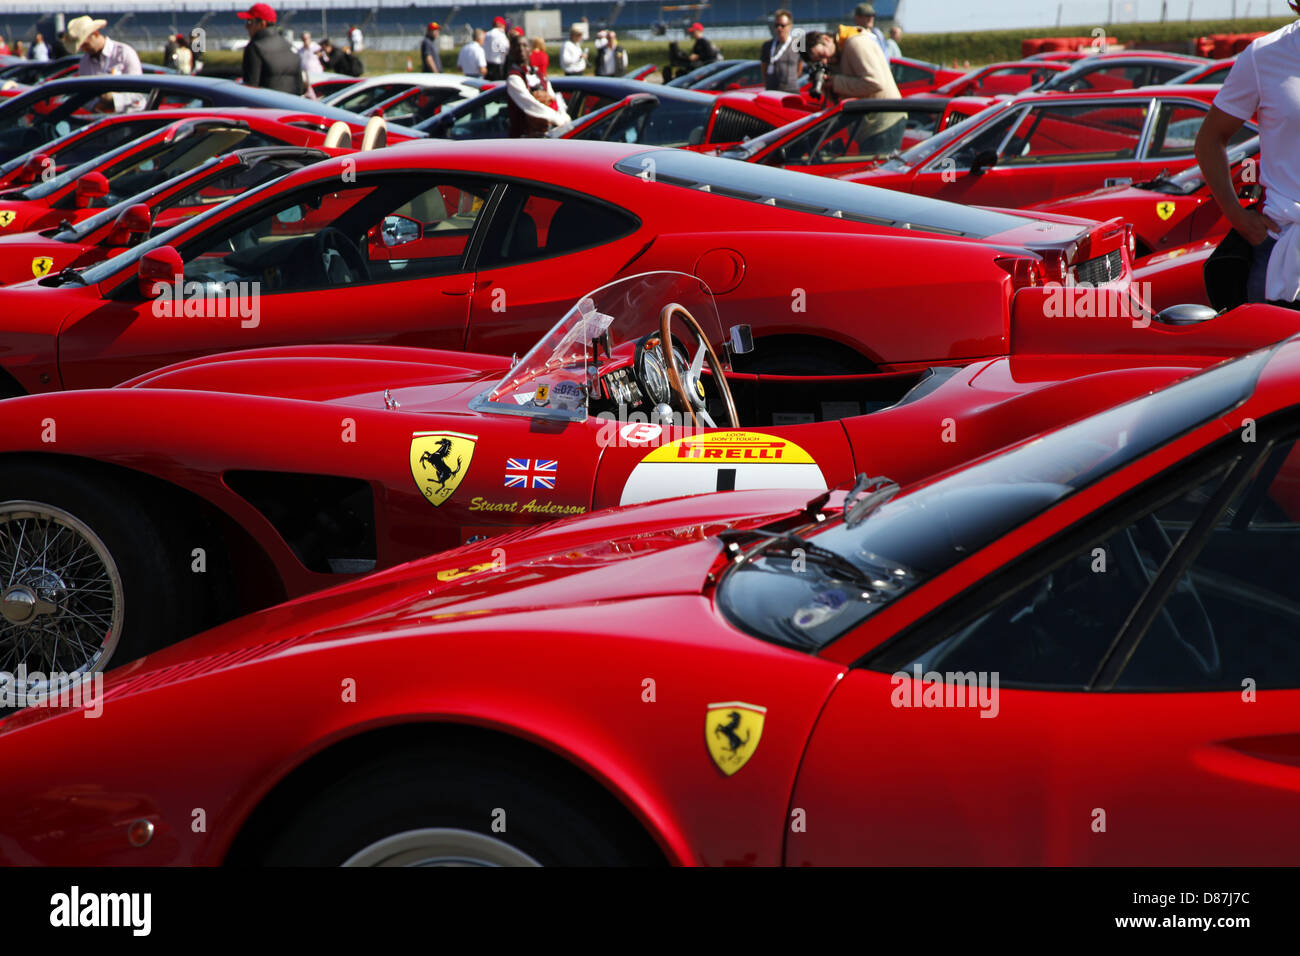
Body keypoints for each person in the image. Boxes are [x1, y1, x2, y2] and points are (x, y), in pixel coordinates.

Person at [1195, 14, 1300, 307]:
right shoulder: (1264, 55)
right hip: (1283, 249)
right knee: (1273, 353)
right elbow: (1209, 140)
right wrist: (1239, 218)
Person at [801, 27, 904, 149]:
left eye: (822, 54)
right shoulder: (839, 54)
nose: (824, 61)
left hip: (884, 122)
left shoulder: (856, 44)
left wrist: (835, 82)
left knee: (878, 168)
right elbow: (842, 99)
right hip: (872, 124)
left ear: (826, 39)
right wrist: (826, 86)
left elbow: (875, 82)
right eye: (818, 61)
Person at [68, 16, 146, 112]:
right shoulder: (85, 62)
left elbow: (139, 91)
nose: (83, 49)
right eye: (81, 47)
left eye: (85, 44)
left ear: (95, 34)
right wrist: (97, 105)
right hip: (102, 121)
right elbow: (84, 95)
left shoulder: (124, 53)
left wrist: (113, 100)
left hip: (131, 118)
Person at [504, 31, 569, 136]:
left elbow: (553, 99)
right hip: (523, 139)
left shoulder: (539, 75)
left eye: (525, 45)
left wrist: (563, 116)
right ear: (511, 51)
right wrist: (557, 119)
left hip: (547, 135)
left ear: (530, 50)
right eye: (517, 46)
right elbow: (530, 105)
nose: (521, 49)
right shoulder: (513, 78)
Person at [238, 3, 304, 94]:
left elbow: (251, 88)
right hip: (292, 105)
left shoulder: (255, 48)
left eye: (250, 22)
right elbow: (299, 86)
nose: (246, 26)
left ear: (262, 24)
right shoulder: (289, 46)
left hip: (265, 106)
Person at [761, 9, 802, 92]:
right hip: (772, 90)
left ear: (790, 26)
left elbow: (799, 69)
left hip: (791, 90)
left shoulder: (798, 45)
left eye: (782, 25)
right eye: (777, 25)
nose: (779, 28)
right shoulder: (767, 46)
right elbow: (764, 68)